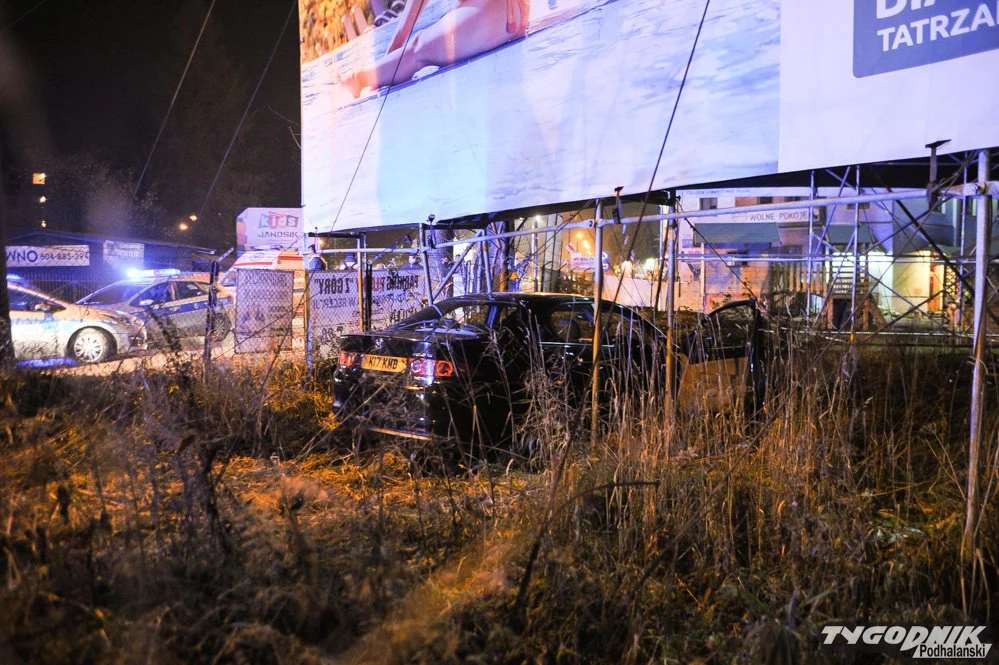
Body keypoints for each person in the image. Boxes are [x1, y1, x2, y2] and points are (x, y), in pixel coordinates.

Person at [340, 0, 530, 98]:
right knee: (417, 46)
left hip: (500, 13)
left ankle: (360, 79)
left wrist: (395, 53)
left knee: (418, 49)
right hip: (496, 12)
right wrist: (395, 49)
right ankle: (362, 77)